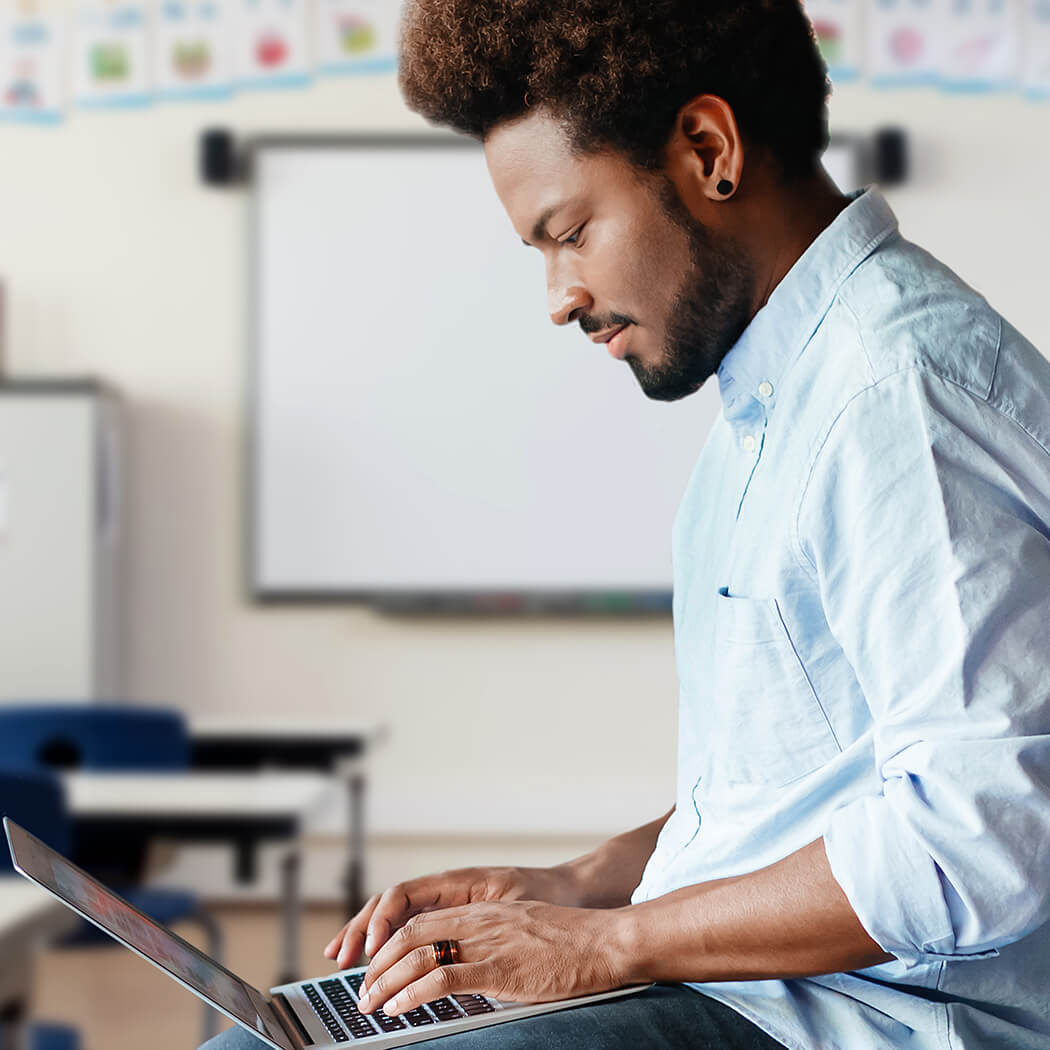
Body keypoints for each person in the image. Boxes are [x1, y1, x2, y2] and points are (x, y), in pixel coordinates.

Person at [205, 1, 1050, 1047]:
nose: (561, 296)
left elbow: (981, 838)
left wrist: (605, 945)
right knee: (263, 1040)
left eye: (570, 234)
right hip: (751, 995)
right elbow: (802, 800)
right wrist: (578, 886)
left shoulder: (894, 398)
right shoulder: (775, 405)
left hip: (858, 1020)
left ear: (708, 150)